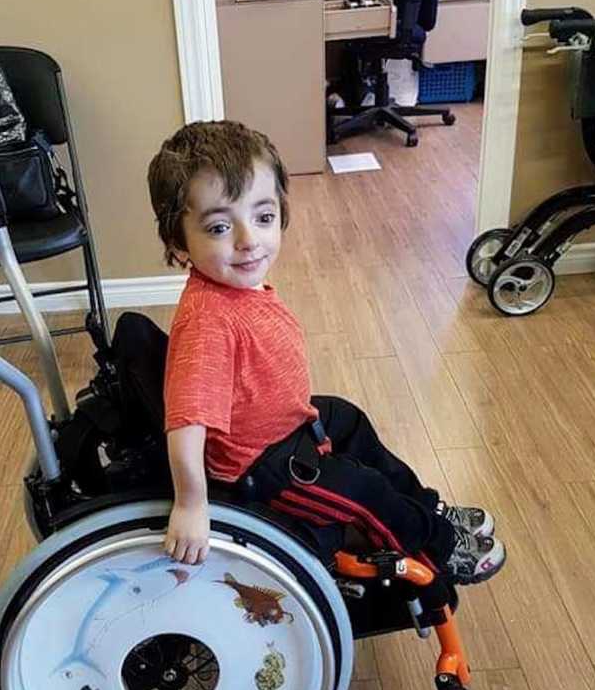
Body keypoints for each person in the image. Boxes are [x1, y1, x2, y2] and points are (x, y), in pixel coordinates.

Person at [146, 120, 505, 579]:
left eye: (263, 217)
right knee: (365, 490)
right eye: (219, 227)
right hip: (262, 467)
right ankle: (437, 547)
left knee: (347, 417)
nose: (248, 240)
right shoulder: (208, 321)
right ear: (179, 245)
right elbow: (185, 426)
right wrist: (191, 505)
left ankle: (427, 509)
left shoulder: (237, 287)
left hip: (286, 424)